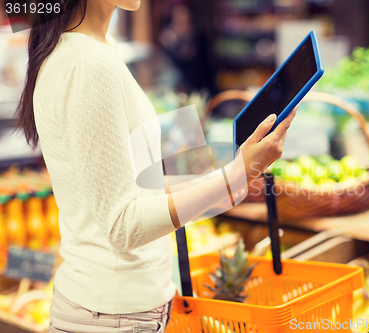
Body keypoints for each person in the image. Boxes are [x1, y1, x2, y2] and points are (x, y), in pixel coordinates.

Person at [14, 0, 294, 332]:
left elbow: (138, 189)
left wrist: (230, 175)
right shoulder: (89, 63)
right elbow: (123, 225)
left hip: (115, 312)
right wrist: (235, 176)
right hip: (113, 316)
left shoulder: (91, 48)